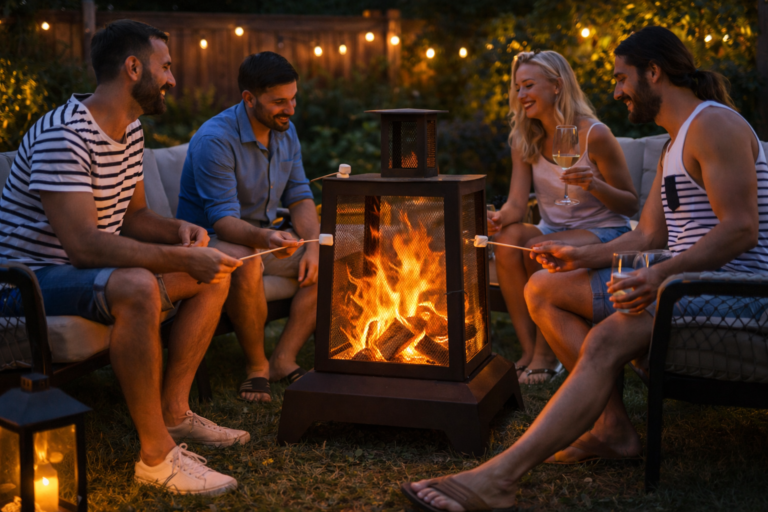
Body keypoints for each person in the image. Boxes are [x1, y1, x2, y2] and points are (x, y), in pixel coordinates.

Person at [400, 26, 767, 511]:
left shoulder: (713, 125)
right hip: (684, 287)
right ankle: (610, 429)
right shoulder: (674, 143)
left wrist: (657, 276)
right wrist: (579, 257)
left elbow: (742, 229)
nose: (615, 91)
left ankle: (500, 477)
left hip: (733, 297)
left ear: (653, 73)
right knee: (543, 289)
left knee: (606, 338)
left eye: (621, 78)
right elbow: (648, 236)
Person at [0, 20, 250, 495]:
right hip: (25, 283)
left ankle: (174, 415)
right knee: (136, 284)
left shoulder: (129, 130)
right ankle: (155, 457)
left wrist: (179, 232)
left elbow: (133, 216)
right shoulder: (64, 135)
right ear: (134, 68)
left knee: (214, 269)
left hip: (80, 271)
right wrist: (170, 259)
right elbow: (85, 246)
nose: (173, 79)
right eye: (167, 67)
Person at [176, 52, 318, 402]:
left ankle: (283, 359)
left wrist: (313, 245)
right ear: (249, 99)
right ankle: (257, 368)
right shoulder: (216, 140)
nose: (291, 109)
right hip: (210, 242)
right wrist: (268, 236)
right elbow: (223, 220)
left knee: (330, 258)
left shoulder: (285, 130)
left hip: (264, 238)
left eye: (293, 98)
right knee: (247, 258)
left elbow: (299, 195)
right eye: (280, 102)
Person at [489, 50, 638, 384]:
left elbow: (630, 205)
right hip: (553, 227)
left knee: (541, 245)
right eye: (518, 88)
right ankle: (529, 352)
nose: (521, 95)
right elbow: (516, 204)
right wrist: (499, 218)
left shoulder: (593, 135)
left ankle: (547, 357)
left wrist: (593, 184)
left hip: (602, 230)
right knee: (508, 239)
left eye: (528, 85)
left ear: (556, 86)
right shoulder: (524, 138)